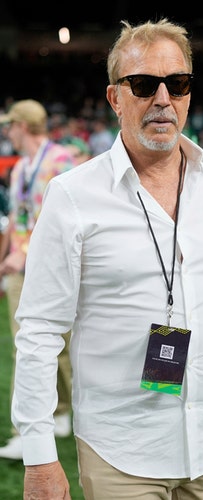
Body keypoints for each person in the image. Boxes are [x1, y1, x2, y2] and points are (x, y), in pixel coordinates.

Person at [11, 19, 203, 499]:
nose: (163, 97)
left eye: (178, 83)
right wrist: (40, 457)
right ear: (115, 98)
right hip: (120, 450)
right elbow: (40, 331)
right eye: (144, 85)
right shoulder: (73, 195)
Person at [0, 99, 77, 461]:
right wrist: (8, 256)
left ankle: (62, 415)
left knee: (63, 349)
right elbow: (18, 218)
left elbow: (58, 218)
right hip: (22, 269)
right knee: (26, 347)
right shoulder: (20, 169)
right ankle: (41, 423)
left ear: (23, 126)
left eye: (10, 125)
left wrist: (23, 252)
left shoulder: (60, 160)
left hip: (53, 267)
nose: (7, 132)